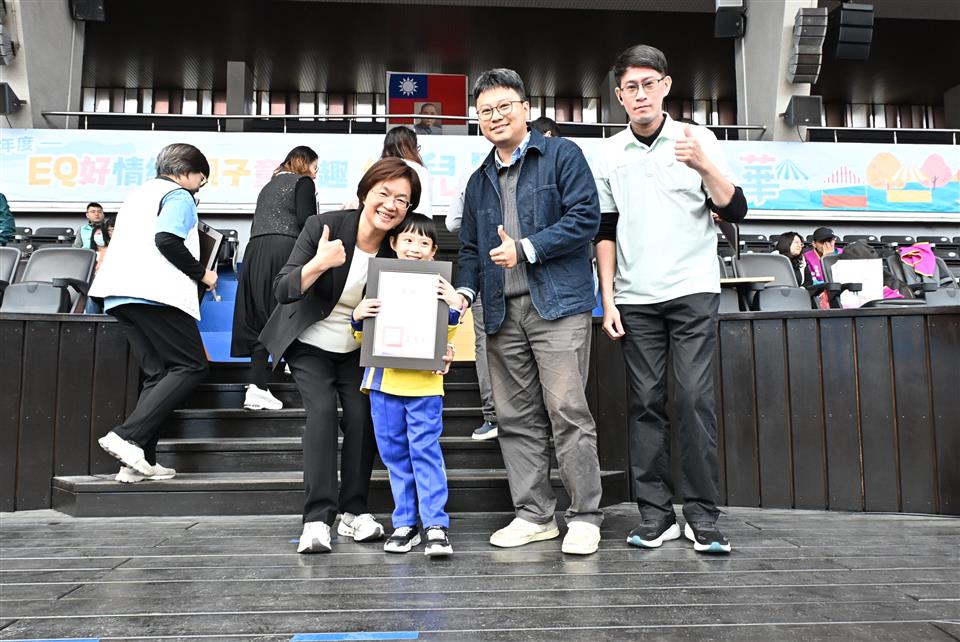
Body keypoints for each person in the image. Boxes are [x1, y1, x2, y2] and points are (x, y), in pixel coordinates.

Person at [594, 44, 747, 555]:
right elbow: (605, 229)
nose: (640, 94)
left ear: (665, 86)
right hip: (635, 298)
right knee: (645, 404)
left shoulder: (698, 139)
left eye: (649, 84)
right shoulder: (608, 153)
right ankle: (655, 515)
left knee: (694, 399)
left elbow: (736, 208)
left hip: (692, 291)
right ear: (620, 96)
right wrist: (608, 298)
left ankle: (702, 516)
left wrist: (703, 164)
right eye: (630, 87)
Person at [455, 68, 604, 556]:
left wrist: (526, 249)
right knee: (514, 417)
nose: (495, 116)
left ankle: (584, 516)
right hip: (499, 312)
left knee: (567, 411)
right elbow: (470, 250)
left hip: (557, 305)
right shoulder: (478, 180)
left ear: (525, 108)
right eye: (485, 111)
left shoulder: (561, 154)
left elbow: (585, 218)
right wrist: (464, 293)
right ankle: (535, 515)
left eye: (504, 106)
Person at [259, 157, 421, 554]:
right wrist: (318, 264)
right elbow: (282, 289)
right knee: (321, 414)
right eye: (384, 193)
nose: (391, 205)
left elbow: (416, 301)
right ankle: (317, 519)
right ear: (365, 193)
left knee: (363, 418)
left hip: (357, 346)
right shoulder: (324, 227)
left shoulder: (397, 247)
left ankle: (353, 511)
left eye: (402, 200)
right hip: (310, 341)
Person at [89, 143, 216, 483]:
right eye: (201, 179)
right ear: (187, 172)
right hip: (156, 293)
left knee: (157, 375)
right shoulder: (179, 195)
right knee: (191, 365)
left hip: (119, 294)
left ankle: (139, 461)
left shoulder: (138, 194)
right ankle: (127, 436)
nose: (199, 186)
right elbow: (167, 239)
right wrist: (204, 274)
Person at [351, 213, 460, 557]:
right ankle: (406, 524)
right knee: (395, 456)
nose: (415, 248)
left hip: (425, 386)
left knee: (425, 453)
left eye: (424, 243)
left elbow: (447, 335)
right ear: (394, 243)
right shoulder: (378, 284)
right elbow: (361, 338)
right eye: (408, 240)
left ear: (433, 252)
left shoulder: (441, 288)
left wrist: (454, 305)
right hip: (383, 384)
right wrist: (358, 317)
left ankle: (435, 525)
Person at [232, 146, 319, 411]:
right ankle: (295, 363)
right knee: (289, 309)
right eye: (315, 167)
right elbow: (307, 221)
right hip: (285, 249)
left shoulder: (269, 186)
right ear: (304, 163)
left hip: (255, 250)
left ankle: (257, 386)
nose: (316, 174)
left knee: (260, 316)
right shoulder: (303, 182)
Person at [382, 126, 433, 216]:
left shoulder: (382, 168)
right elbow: (424, 206)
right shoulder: (419, 169)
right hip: (417, 221)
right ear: (411, 147)